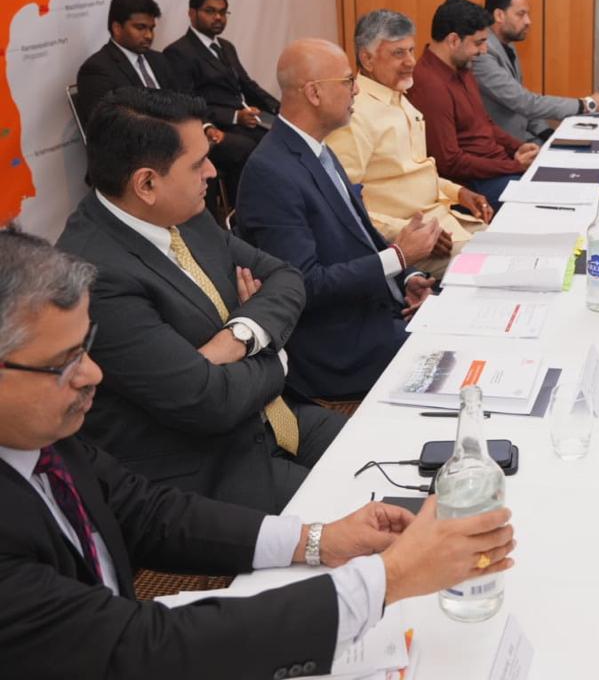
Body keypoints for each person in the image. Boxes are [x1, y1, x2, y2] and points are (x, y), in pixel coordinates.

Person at [0, 227, 515, 679]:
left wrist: (318, 540)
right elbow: (139, 648)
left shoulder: (41, 435)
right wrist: (389, 579)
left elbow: (146, 514)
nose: (93, 374)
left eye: (87, 347)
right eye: (63, 363)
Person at [57, 88, 343, 512]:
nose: (212, 172)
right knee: (359, 515)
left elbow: (285, 277)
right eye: (197, 164)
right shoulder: (95, 275)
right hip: (205, 466)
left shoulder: (183, 212)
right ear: (147, 183)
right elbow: (209, 402)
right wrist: (275, 354)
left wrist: (241, 335)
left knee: (390, 457)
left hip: (274, 416)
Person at [236, 39, 443, 399]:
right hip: (338, 346)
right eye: (348, 81)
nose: (357, 90)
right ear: (314, 93)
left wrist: (406, 277)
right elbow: (304, 285)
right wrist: (398, 257)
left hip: (375, 310)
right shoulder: (271, 172)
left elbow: (359, 236)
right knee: (462, 351)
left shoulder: (317, 149)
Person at [325, 9, 492, 276]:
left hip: (445, 221)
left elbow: (412, 173)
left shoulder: (399, 97)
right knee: (495, 269)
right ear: (367, 59)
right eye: (398, 53)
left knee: (514, 248)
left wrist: (458, 192)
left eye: (411, 50)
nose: (411, 61)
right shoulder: (355, 115)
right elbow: (344, 205)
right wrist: (407, 233)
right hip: (412, 242)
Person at [408, 0, 540, 210]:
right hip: (474, 184)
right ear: (453, 41)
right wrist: (514, 166)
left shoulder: (462, 67)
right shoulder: (429, 84)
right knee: (545, 202)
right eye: (478, 43)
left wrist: (517, 147)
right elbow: (450, 163)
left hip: (497, 169)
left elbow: (485, 124)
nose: (484, 50)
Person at [164, 0, 280, 199]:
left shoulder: (226, 47)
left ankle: (274, 202)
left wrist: (281, 108)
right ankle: (243, 210)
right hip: (211, 127)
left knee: (280, 137)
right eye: (210, 11)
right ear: (192, 13)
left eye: (222, 12)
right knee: (246, 148)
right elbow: (187, 102)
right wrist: (234, 116)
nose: (218, 17)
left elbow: (247, 85)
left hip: (242, 123)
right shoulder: (179, 51)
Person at [474, 0, 599, 142]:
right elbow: (523, 102)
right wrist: (587, 104)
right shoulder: (482, 53)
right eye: (520, 14)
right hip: (503, 145)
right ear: (499, 15)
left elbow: (522, 102)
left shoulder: (508, 44)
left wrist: (546, 132)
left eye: (527, 14)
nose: (528, 21)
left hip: (524, 138)